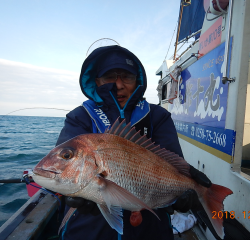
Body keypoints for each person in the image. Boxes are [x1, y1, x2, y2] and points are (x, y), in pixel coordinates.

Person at [56, 45, 211, 240]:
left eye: (127, 77)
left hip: (150, 228)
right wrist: (75, 195)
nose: (119, 85)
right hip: (90, 229)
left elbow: (172, 161)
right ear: (97, 81)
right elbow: (63, 165)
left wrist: (184, 186)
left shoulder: (157, 116)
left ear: (137, 81)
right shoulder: (80, 117)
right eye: (110, 77)